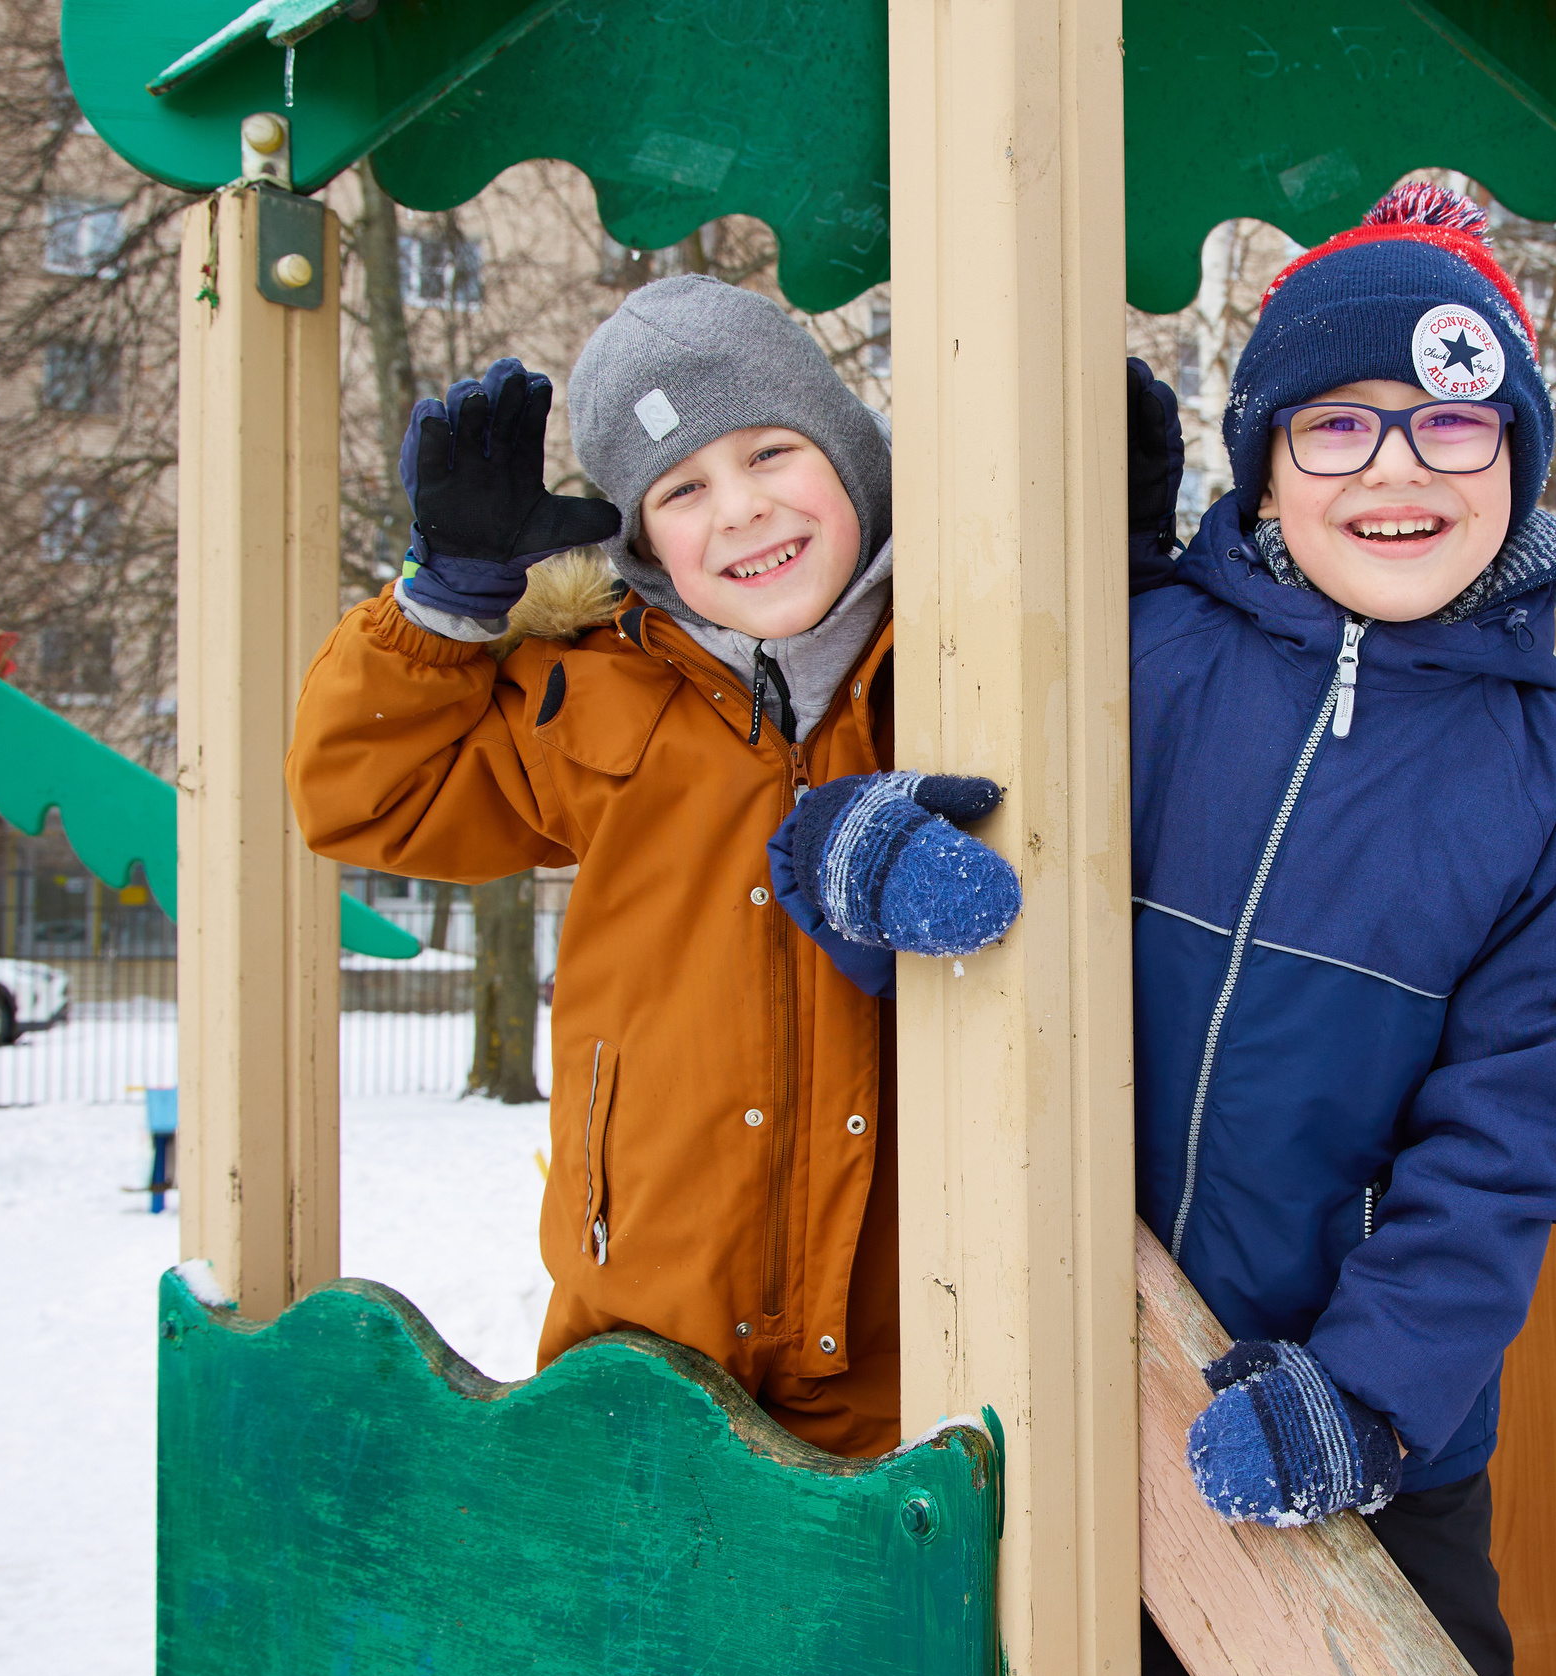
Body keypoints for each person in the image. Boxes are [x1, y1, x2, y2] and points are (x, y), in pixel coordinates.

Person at [284, 277, 1024, 1458]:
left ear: (853, 457)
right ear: (637, 538)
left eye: (772, 453)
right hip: (645, 1331)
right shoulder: (595, 686)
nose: (738, 512)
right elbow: (364, 799)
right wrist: (445, 607)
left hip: (916, 1332)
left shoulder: (960, 655)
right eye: (682, 489)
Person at [1127, 184, 1556, 1676]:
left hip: (1363, 1444)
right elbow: (981, 909)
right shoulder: (1144, 658)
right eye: (1336, 427)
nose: (1396, 468)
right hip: (1066, 1364)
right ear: (1266, 467)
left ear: (1519, 458)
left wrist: (1365, 1394)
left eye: (1451, 424)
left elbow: (1510, 1141)